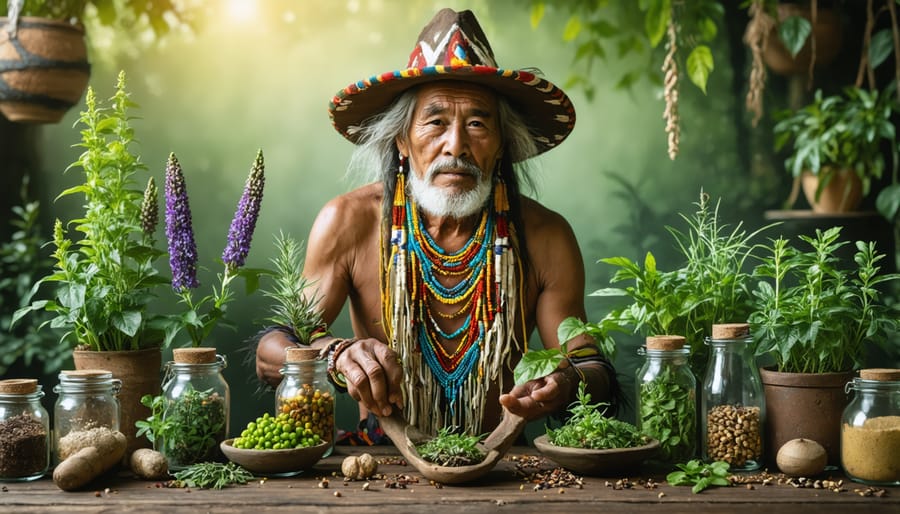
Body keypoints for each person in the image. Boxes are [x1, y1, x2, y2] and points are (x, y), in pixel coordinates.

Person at [257, 8, 619, 438]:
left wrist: (566, 383)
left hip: (502, 465)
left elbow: (588, 364)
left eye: (478, 124)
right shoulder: (349, 222)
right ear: (402, 141)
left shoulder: (545, 236)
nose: (457, 145)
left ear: (501, 145)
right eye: (435, 122)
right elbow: (271, 353)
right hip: (380, 464)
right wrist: (336, 355)